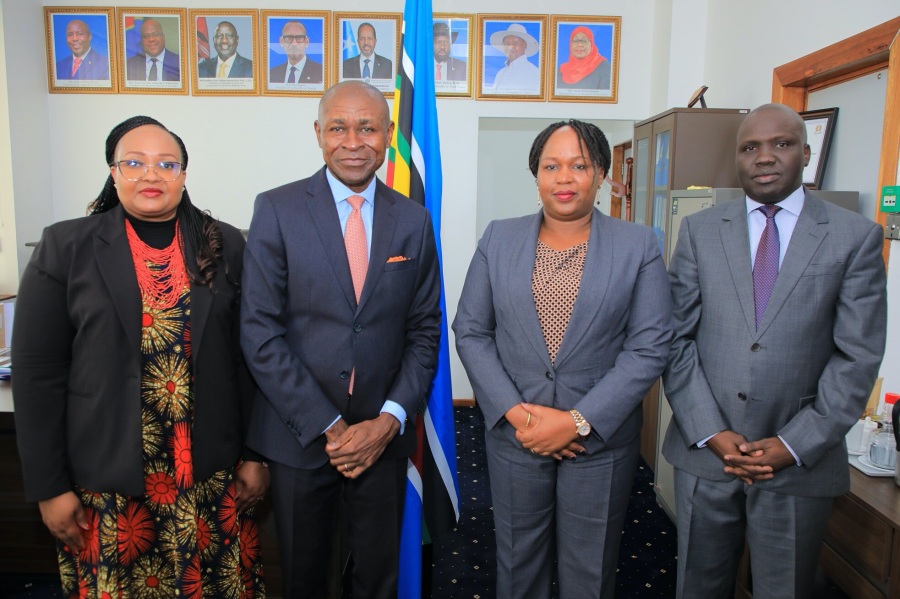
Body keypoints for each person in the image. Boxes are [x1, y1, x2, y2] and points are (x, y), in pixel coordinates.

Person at [12, 116, 267, 597]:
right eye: (134, 163)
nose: (151, 175)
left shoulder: (223, 242)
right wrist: (49, 487)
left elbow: (247, 358)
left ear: (184, 175)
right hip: (108, 486)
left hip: (210, 478)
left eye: (166, 164)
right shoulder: (66, 247)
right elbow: (37, 375)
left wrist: (256, 455)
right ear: (113, 173)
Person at [662, 103, 887, 599]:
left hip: (799, 460)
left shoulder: (855, 237)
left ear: (805, 153)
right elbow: (674, 339)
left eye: (781, 144)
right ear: (737, 159)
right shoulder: (701, 231)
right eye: (750, 147)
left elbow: (858, 357)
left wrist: (792, 445)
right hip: (707, 455)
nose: (765, 157)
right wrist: (711, 431)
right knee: (698, 585)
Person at [453, 119, 673, 598]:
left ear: (600, 175)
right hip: (517, 436)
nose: (565, 177)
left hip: (598, 443)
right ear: (536, 176)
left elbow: (649, 345)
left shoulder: (637, 246)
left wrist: (577, 421)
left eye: (579, 165)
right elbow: (470, 330)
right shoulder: (499, 239)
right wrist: (518, 414)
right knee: (518, 565)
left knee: (590, 571)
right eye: (552, 166)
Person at [240, 80, 441, 598]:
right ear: (318, 134)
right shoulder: (277, 209)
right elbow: (259, 332)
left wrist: (387, 421)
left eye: (368, 127)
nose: (354, 141)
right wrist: (330, 426)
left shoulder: (413, 220)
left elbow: (424, 330)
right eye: (339, 127)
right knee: (307, 579)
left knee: (377, 579)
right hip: (300, 437)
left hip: (382, 439)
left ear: (389, 134)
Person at [556, 26, 611, 90]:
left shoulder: (603, 67)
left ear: (592, 44)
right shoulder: (561, 71)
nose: (579, 44)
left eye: (584, 41)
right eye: (575, 41)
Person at [269, 20, 323, 85]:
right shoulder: (272, 74)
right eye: (289, 38)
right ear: (281, 42)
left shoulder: (321, 72)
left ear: (306, 42)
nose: (294, 43)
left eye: (299, 38)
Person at [490, 23, 540, 92]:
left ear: (524, 45)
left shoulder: (534, 73)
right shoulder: (500, 73)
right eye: (507, 44)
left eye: (515, 43)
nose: (510, 47)